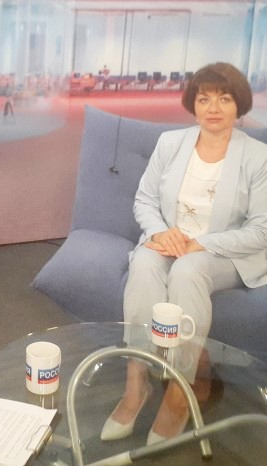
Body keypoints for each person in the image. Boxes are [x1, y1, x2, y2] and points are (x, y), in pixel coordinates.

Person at [100, 62, 267, 445]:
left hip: (223, 252)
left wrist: (201, 243)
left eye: (224, 99)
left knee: (188, 270)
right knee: (145, 263)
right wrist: (160, 232)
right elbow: (144, 200)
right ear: (193, 104)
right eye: (204, 98)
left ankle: (179, 390)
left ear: (239, 104)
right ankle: (136, 382)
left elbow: (261, 229)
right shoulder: (170, 143)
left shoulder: (258, 156)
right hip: (170, 241)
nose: (213, 108)